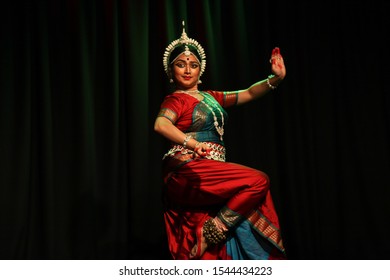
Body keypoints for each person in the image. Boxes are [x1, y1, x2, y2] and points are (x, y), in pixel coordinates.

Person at [154, 21, 286, 260]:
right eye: (181, 65)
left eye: (193, 65)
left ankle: (212, 233)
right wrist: (193, 144)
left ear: (200, 71)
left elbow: (248, 93)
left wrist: (274, 79)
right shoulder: (175, 100)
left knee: (217, 252)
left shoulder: (211, 97)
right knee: (257, 181)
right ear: (170, 71)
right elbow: (161, 124)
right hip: (187, 171)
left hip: (210, 173)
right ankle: (214, 229)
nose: (187, 70)